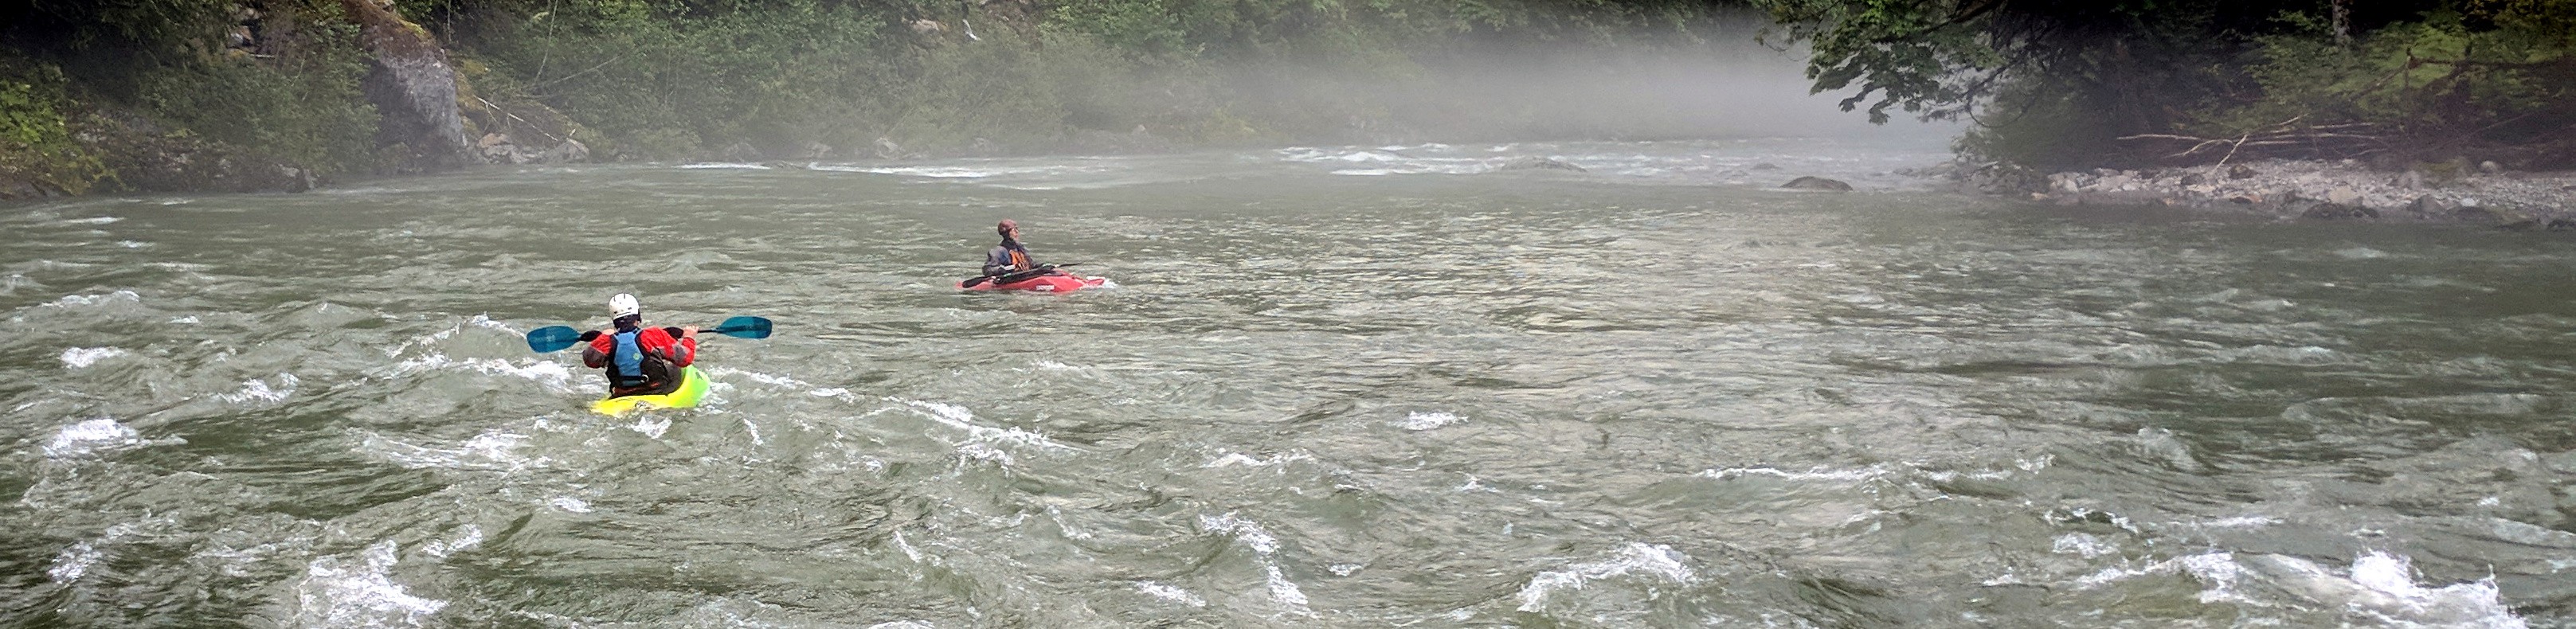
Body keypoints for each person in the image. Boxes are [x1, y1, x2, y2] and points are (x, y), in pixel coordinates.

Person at [581, 293, 699, 397]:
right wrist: (689, 337)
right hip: (656, 391)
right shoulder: (654, 335)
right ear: (638, 315)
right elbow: (685, 359)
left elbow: (590, 361)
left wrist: (602, 337)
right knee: (674, 365)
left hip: (622, 394)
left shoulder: (605, 341)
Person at [981, 219, 1060, 279]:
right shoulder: (999, 251)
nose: (1017, 232)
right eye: (1014, 230)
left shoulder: (1020, 248)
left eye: (1017, 229)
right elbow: (988, 270)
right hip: (1011, 280)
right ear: (1006, 233)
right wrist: (1011, 268)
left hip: (1024, 277)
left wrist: (1043, 265)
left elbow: (1031, 264)